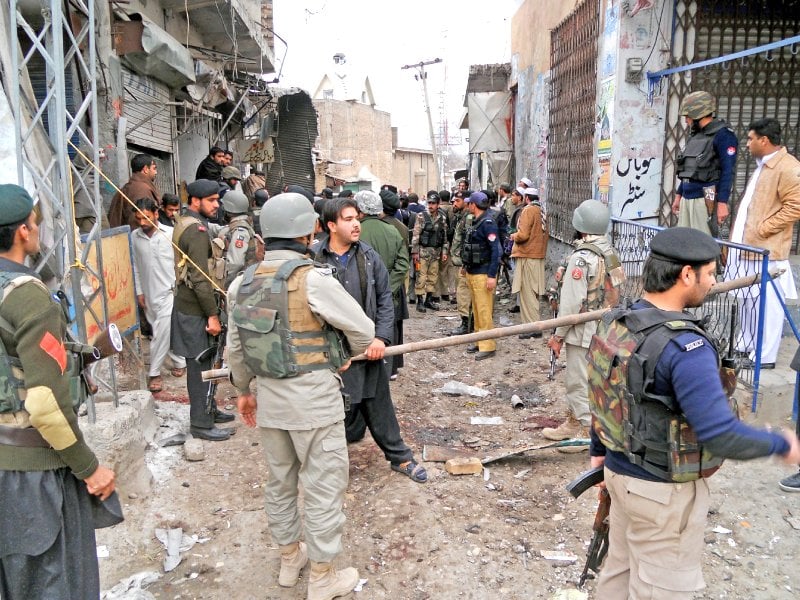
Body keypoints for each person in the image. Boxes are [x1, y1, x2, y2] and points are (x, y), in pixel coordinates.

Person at [588, 226, 800, 598]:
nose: (713, 280)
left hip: (619, 475)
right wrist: (779, 443)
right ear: (687, 274)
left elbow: (602, 394)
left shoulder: (619, 320)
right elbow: (719, 433)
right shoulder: (686, 347)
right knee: (660, 587)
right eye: (711, 272)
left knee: (617, 575)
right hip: (660, 493)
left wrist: (598, 455)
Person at [227, 192, 374, 599]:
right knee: (324, 486)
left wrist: (243, 392)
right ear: (308, 230)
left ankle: (291, 559)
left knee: (280, 483)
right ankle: (324, 578)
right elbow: (362, 329)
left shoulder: (242, 284)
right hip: (313, 403)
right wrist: (343, 355)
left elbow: (236, 351)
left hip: (270, 402)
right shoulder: (312, 279)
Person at [0, 184, 116, 599]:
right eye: (34, 223)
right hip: (29, 473)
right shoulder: (27, 298)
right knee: (54, 583)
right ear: (23, 233)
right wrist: (89, 468)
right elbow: (46, 404)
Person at [315, 198, 427, 484]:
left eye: (356, 218)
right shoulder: (314, 258)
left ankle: (399, 456)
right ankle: (327, 465)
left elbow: (385, 301)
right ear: (331, 225)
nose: (356, 224)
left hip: (368, 349)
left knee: (378, 404)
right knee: (334, 410)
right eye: (348, 219)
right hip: (330, 354)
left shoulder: (368, 256)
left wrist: (380, 337)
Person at [544, 199, 623, 443]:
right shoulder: (609, 253)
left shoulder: (582, 258)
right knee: (598, 380)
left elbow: (570, 304)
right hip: (606, 327)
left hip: (582, 331)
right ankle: (584, 421)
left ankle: (582, 430)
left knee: (577, 380)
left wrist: (558, 336)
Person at [726, 118, 800, 369]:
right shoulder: (764, 165)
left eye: (750, 139)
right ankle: (746, 347)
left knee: (767, 307)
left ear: (764, 140)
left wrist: (763, 229)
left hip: (768, 251)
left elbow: (796, 206)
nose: (747, 144)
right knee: (749, 301)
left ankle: (764, 356)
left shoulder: (787, 167)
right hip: (749, 249)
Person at [171, 179, 234, 441]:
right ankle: (200, 423)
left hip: (192, 306)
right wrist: (211, 314)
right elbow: (200, 278)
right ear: (196, 201)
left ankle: (209, 410)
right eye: (211, 200)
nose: (216, 205)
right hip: (195, 310)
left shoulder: (186, 221)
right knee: (199, 367)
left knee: (208, 361)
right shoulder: (196, 230)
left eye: (217, 200)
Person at [131, 198, 186, 392]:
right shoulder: (134, 237)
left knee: (160, 334)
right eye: (139, 218)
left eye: (147, 217)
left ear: (156, 214)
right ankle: (179, 361)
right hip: (148, 294)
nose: (143, 222)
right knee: (162, 331)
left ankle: (154, 373)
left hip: (169, 293)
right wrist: (139, 292)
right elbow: (136, 267)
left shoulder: (171, 235)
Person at [356, 190, 410, 381]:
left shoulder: (356, 231)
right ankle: (390, 370)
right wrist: (388, 287)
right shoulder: (393, 230)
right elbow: (403, 264)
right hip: (391, 292)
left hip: (361, 292)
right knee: (389, 327)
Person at [671, 90, 738, 235]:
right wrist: (678, 196)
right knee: (684, 246)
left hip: (705, 200)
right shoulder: (695, 136)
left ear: (697, 114)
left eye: (687, 116)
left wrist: (722, 202)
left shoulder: (724, 135)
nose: (686, 120)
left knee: (703, 249)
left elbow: (728, 171)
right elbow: (689, 170)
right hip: (687, 199)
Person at [461, 191, 502, 360]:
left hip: (483, 273)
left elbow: (495, 251)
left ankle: (488, 345)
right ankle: (479, 340)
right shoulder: (476, 221)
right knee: (477, 310)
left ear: (473, 205)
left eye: (469, 203)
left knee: (484, 311)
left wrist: (492, 275)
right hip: (473, 271)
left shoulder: (488, 223)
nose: (468, 205)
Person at [510, 188, 547, 339]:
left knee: (527, 294)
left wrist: (513, 236)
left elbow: (523, 235)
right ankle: (534, 325)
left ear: (526, 198)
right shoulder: (542, 210)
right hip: (538, 256)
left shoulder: (528, 210)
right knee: (534, 293)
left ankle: (532, 327)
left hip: (528, 256)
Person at [411, 191, 448, 312]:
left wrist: (444, 252)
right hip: (422, 252)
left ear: (438, 204)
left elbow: (444, 237)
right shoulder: (421, 216)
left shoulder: (442, 218)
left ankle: (429, 300)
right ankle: (420, 301)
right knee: (421, 277)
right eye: (429, 203)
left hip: (436, 253)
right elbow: (416, 235)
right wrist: (415, 252)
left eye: (433, 203)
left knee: (433, 277)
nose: (431, 205)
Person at [217, 190, 263, 288]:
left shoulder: (240, 231)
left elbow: (235, 263)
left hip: (237, 284)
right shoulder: (240, 224)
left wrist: (223, 284)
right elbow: (223, 229)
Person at [108, 153, 160, 229]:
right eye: (154, 168)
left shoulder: (129, 187)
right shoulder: (141, 189)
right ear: (145, 169)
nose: (156, 172)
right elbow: (140, 223)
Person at [448, 190, 473, 335]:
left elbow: (468, 241)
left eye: (457, 201)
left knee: (464, 294)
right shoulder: (460, 217)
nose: (454, 203)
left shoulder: (468, 218)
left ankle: (466, 324)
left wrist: (465, 262)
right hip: (459, 261)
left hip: (464, 263)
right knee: (462, 294)